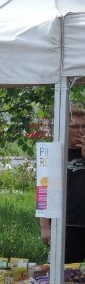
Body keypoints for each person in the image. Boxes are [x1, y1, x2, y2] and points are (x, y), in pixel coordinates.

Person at [40, 103, 85, 263]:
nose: (80, 131)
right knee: (66, 273)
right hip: (66, 223)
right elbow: (43, 189)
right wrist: (45, 227)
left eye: (83, 126)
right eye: (75, 126)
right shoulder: (54, 151)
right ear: (65, 127)